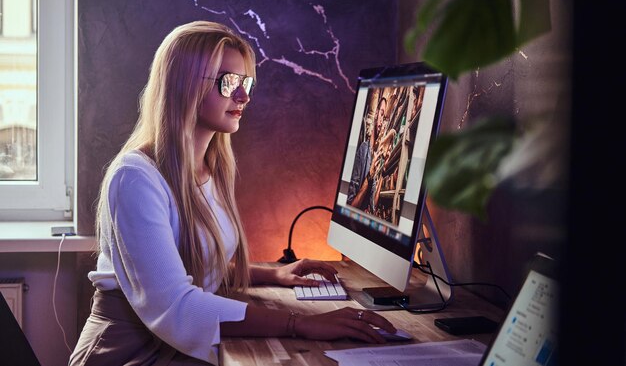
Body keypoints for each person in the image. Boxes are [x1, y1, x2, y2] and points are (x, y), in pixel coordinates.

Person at [69, 21, 396, 366]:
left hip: (172, 346)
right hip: (130, 354)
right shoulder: (135, 180)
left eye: (246, 82)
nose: (244, 96)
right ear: (183, 88)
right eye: (228, 83)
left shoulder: (209, 168)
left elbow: (190, 263)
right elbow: (176, 306)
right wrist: (300, 324)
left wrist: (272, 273)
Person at [347, 93, 392, 212]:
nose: (382, 122)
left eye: (385, 118)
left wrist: (382, 172)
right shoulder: (363, 150)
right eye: (381, 114)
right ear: (376, 114)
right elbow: (350, 206)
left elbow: (373, 205)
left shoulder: (374, 156)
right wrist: (369, 176)